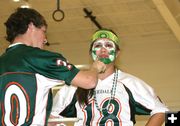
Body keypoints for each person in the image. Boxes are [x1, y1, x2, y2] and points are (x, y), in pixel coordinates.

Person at [0, 8, 106, 126]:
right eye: (43, 31)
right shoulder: (39, 58)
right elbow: (89, 81)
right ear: (31, 26)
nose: (45, 39)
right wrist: (95, 68)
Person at [50, 29, 169, 126]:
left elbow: (161, 110)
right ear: (91, 52)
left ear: (117, 53)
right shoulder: (77, 83)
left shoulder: (130, 82)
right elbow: (51, 116)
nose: (103, 49)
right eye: (98, 45)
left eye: (108, 45)